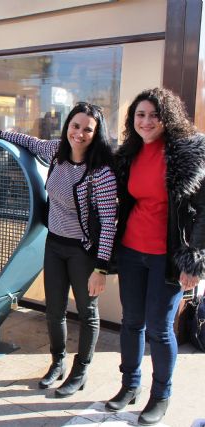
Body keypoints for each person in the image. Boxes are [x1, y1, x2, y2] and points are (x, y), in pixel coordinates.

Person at [0, 102, 117, 397]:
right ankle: (57, 363)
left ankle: (80, 371)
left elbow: (109, 223)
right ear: (67, 126)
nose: (79, 133)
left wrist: (100, 269)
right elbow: (29, 142)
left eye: (87, 129)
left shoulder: (101, 173)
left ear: (96, 134)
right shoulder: (56, 152)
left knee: (87, 313)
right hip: (54, 245)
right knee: (53, 311)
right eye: (75, 126)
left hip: (83, 252)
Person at [105, 88, 205, 426]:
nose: (146, 121)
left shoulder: (187, 153)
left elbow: (203, 211)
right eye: (140, 115)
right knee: (131, 322)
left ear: (169, 117)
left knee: (160, 330)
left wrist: (194, 260)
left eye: (154, 115)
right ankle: (130, 385)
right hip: (132, 251)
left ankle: (161, 394)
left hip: (167, 257)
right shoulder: (128, 154)